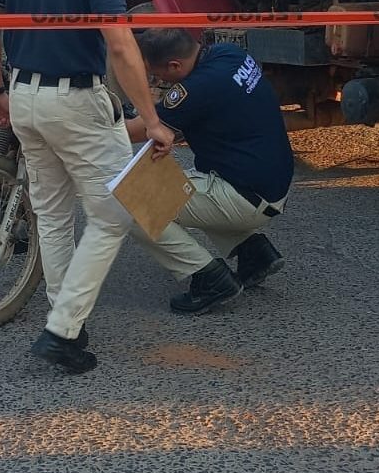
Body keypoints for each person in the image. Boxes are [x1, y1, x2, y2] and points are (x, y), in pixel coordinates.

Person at [0, 0, 178, 374]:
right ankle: (63, 330)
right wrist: (151, 119)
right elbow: (119, 44)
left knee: (53, 212)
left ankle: (66, 318)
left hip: (23, 96)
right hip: (75, 103)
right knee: (115, 215)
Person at [126, 28, 295, 300]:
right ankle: (253, 253)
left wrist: (89, 129)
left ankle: (209, 278)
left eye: (158, 75)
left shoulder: (193, 91)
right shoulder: (229, 54)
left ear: (175, 65)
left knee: (133, 204)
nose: (158, 81)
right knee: (184, 182)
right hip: (268, 185)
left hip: (245, 196)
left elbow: (137, 130)